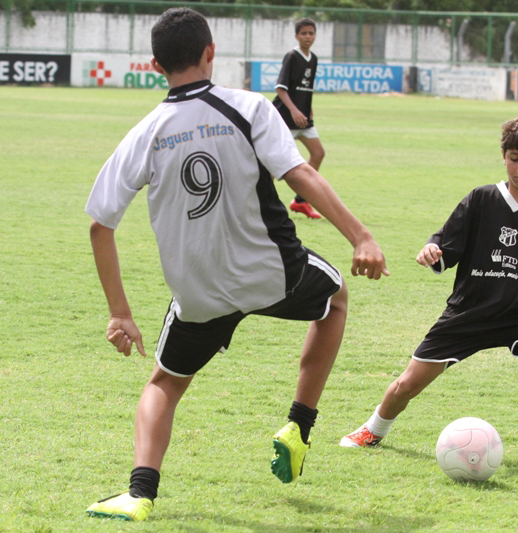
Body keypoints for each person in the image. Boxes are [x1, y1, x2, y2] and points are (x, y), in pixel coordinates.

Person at [84, 8, 388, 522]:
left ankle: (138, 493)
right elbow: (299, 176)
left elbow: (100, 225)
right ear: (211, 53)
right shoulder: (247, 107)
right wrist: (360, 235)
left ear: (156, 65)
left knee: (164, 385)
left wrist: (120, 313)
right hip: (272, 275)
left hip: (199, 294)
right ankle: (299, 425)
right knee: (334, 299)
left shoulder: (146, 131)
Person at [340, 112, 518, 473]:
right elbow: (443, 245)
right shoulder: (481, 199)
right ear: (504, 155)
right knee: (405, 386)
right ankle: (373, 430)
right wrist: (431, 251)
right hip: (469, 313)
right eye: (514, 158)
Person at [272, 18, 325, 219]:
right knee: (272, 164)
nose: (308, 37)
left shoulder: (313, 58)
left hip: (303, 118)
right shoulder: (292, 56)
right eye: (303, 33)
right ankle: (263, 203)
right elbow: (281, 88)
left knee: (318, 153)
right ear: (296, 36)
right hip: (287, 116)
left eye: (311, 33)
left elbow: (305, 88)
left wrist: (308, 108)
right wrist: (294, 110)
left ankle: (301, 201)